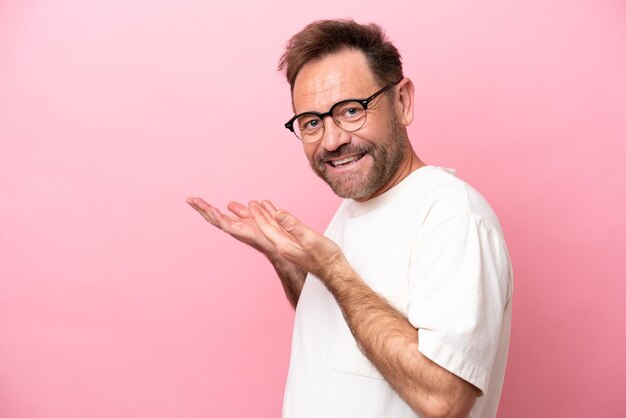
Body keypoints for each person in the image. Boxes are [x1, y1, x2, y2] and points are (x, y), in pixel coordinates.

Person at [187, 19, 513, 418]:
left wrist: (333, 268)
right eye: (311, 122)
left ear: (403, 101)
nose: (331, 140)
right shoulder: (357, 204)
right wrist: (290, 262)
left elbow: (444, 400)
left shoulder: (452, 217)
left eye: (350, 110)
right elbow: (347, 324)